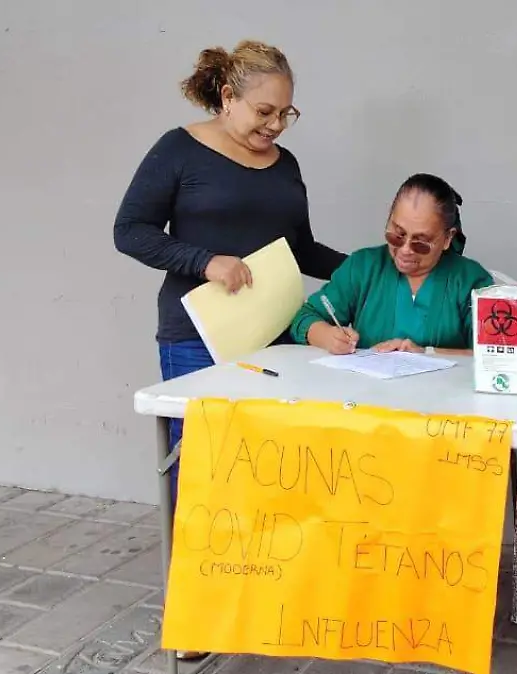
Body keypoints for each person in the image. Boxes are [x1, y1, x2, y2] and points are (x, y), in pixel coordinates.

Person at [113, 39, 345, 662]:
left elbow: (299, 247)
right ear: (226, 97)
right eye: (263, 112)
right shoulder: (177, 150)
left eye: (285, 115)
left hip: (274, 334)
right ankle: (193, 616)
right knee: (202, 476)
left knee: (268, 471)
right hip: (199, 339)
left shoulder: (286, 163)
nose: (273, 126)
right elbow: (128, 230)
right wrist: (203, 261)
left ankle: (260, 596)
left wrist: (368, 271)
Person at [291, 173, 493, 355]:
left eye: (420, 242)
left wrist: (427, 353)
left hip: (442, 395)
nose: (405, 249)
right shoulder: (363, 267)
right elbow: (305, 317)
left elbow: (496, 353)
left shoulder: (471, 281)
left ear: (448, 238)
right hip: (366, 394)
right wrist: (328, 336)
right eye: (398, 235)